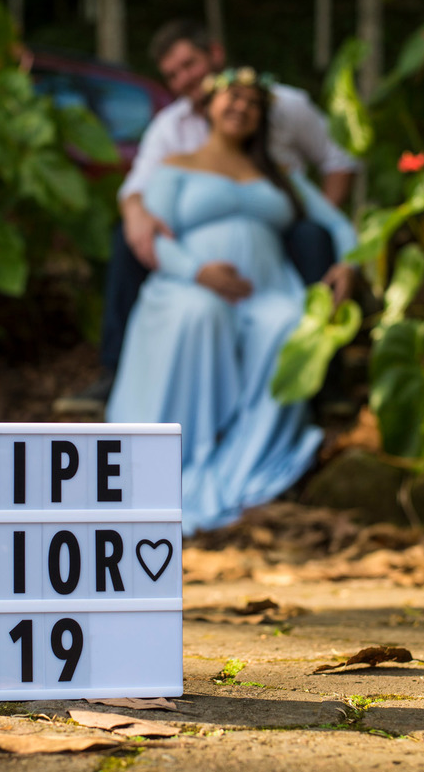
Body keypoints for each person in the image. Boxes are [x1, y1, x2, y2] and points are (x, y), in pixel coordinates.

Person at [54, 19, 357, 415]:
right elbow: (136, 188)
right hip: (195, 248)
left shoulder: (287, 110)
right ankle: (116, 370)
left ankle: (324, 378)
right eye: (172, 75)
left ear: (215, 54)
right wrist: (138, 216)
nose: (183, 79)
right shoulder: (171, 131)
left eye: (189, 64)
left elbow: (337, 160)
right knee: (126, 239)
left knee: (312, 235)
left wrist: (309, 213)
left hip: (279, 228)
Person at [105, 68, 357, 535]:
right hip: (189, 285)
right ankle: (178, 458)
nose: (241, 107)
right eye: (231, 98)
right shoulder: (177, 165)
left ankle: (247, 463)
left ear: (262, 117)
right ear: (209, 107)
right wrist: (197, 272)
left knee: (290, 323)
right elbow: (153, 238)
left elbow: (338, 226)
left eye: (252, 103)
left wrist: (348, 264)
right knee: (200, 315)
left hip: (267, 291)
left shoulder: (279, 175)